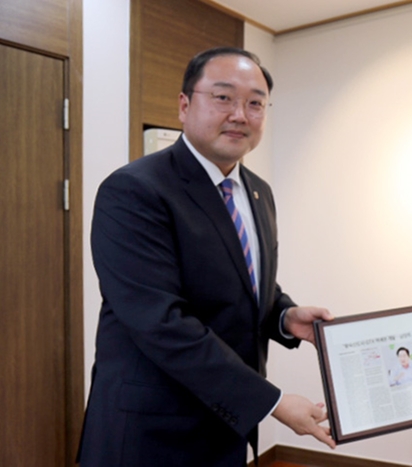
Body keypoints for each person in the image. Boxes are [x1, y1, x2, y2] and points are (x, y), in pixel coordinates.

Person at [77, 47, 335, 467]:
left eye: (255, 103)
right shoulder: (134, 190)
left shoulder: (257, 192)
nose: (240, 114)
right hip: (152, 432)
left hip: (225, 428)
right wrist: (271, 402)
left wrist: (284, 316)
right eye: (222, 97)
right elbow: (160, 321)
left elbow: (244, 284)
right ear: (184, 105)